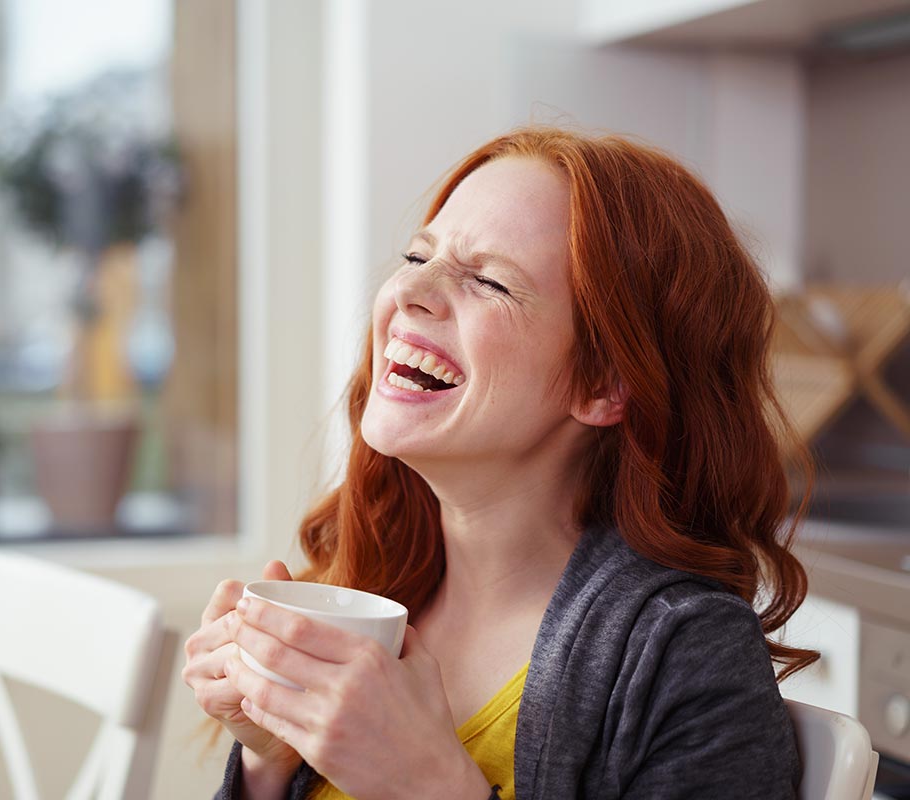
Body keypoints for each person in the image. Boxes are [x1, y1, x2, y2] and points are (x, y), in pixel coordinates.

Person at [182, 126, 817, 800]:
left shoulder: (683, 655)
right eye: (415, 255)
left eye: (489, 281)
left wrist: (428, 784)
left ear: (603, 383)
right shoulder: (378, 588)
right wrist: (271, 763)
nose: (409, 293)